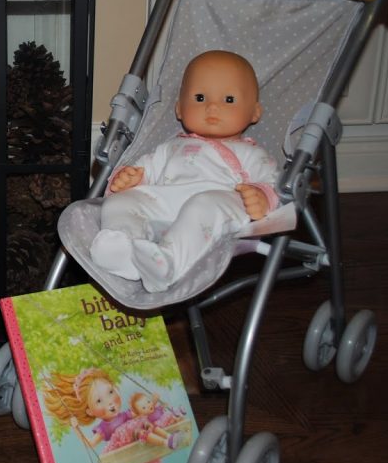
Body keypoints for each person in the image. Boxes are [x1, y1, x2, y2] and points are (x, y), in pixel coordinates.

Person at [89, 50, 280, 292]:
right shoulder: (169, 148)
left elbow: (273, 182)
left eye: (229, 99)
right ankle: (125, 249)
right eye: (200, 98)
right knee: (120, 202)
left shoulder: (250, 153)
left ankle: (167, 264)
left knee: (204, 203)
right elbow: (145, 172)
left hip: (214, 210)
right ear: (179, 109)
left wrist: (261, 196)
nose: (212, 106)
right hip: (165, 207)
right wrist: (129, 178)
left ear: (254, 112)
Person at [43, 368, 183, 450]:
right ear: (90, 411)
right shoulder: (103, 428)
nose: (110, 401)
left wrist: (153, 400)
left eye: (110, 392)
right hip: (125, 442)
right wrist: (76, 428)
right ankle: (166, 443)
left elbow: (142, 412)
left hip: (137, 435)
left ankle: (169, 433)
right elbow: (90, 444)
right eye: (99, 401)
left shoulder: (124, 415)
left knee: (147, 423)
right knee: (141, 431)